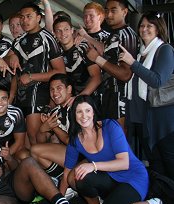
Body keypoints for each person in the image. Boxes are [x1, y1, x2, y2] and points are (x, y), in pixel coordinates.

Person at [61, 95, 163, 204]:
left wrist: (93, 166)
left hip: (132, 177)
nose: (83, 115)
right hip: (110, 177)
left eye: (87, 110)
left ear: (94, 112)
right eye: (79, 111)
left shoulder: (110, 126)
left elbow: (124, 163)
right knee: (79, 176)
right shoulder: (75, 139)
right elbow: (66, 173)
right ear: (74, 115)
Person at [119, 12, 174, 180]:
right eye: (142, 26)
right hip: (144, 116)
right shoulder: (141, 52)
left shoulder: (164, 49)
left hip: (163, 117)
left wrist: (133, 63)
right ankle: (162, 200)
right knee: (155, 162)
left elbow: (157, 80)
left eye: (149, 26)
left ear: (158, 29)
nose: (144, 29)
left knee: (169, 160)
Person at [10, 2, 66, 146]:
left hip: (38, 94)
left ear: (38, 18)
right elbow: (7, 60)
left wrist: (31, 77)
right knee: (25, 142)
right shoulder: (18, 41)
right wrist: (12, 56)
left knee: (36, 140)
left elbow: (60, 71)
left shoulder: (48, 39)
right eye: (22, 17)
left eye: (29, 16)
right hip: (20, 97)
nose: (24, 20)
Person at [86, 0, 139, 130]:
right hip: (108, 95)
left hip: (120, 95)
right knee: (108, 142)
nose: (108, 14)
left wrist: (97, 59)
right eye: (106, 10)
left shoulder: (126, 34)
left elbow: (126, 74)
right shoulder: (113, 35)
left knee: (119, 143)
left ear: (125, 12)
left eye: (113, 10)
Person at [30, 74, 72, 178]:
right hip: (69, 151)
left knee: (36, 150)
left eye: (59, 88)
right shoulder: (55, 112)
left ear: (69, 89)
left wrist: (54, 127)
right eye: (52, 89)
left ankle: (66, 180)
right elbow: (41, 142)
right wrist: (43, 129)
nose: (55, 93)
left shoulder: (79, 106)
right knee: (36, 151)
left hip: (84, 154)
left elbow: (70, 141)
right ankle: (62, 179)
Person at [53, 16, 101, 100]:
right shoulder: (55, 53)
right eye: (58, 31)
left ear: (72, 30)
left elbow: (97, 77)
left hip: (89, 99)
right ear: (54, 33)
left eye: (66, 29)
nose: (63, 33)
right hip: (68, 101)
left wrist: (78, 98)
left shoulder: (83, 47)